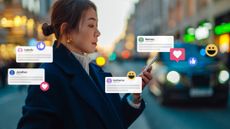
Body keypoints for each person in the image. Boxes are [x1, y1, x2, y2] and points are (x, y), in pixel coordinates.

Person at [17, 0, 152, 129]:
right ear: (66, 30)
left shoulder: (96, 70)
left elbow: (113, 121)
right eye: (91, 25)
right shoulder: (48, 76)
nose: (98, 33)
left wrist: (133, 97)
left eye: (97, 26)